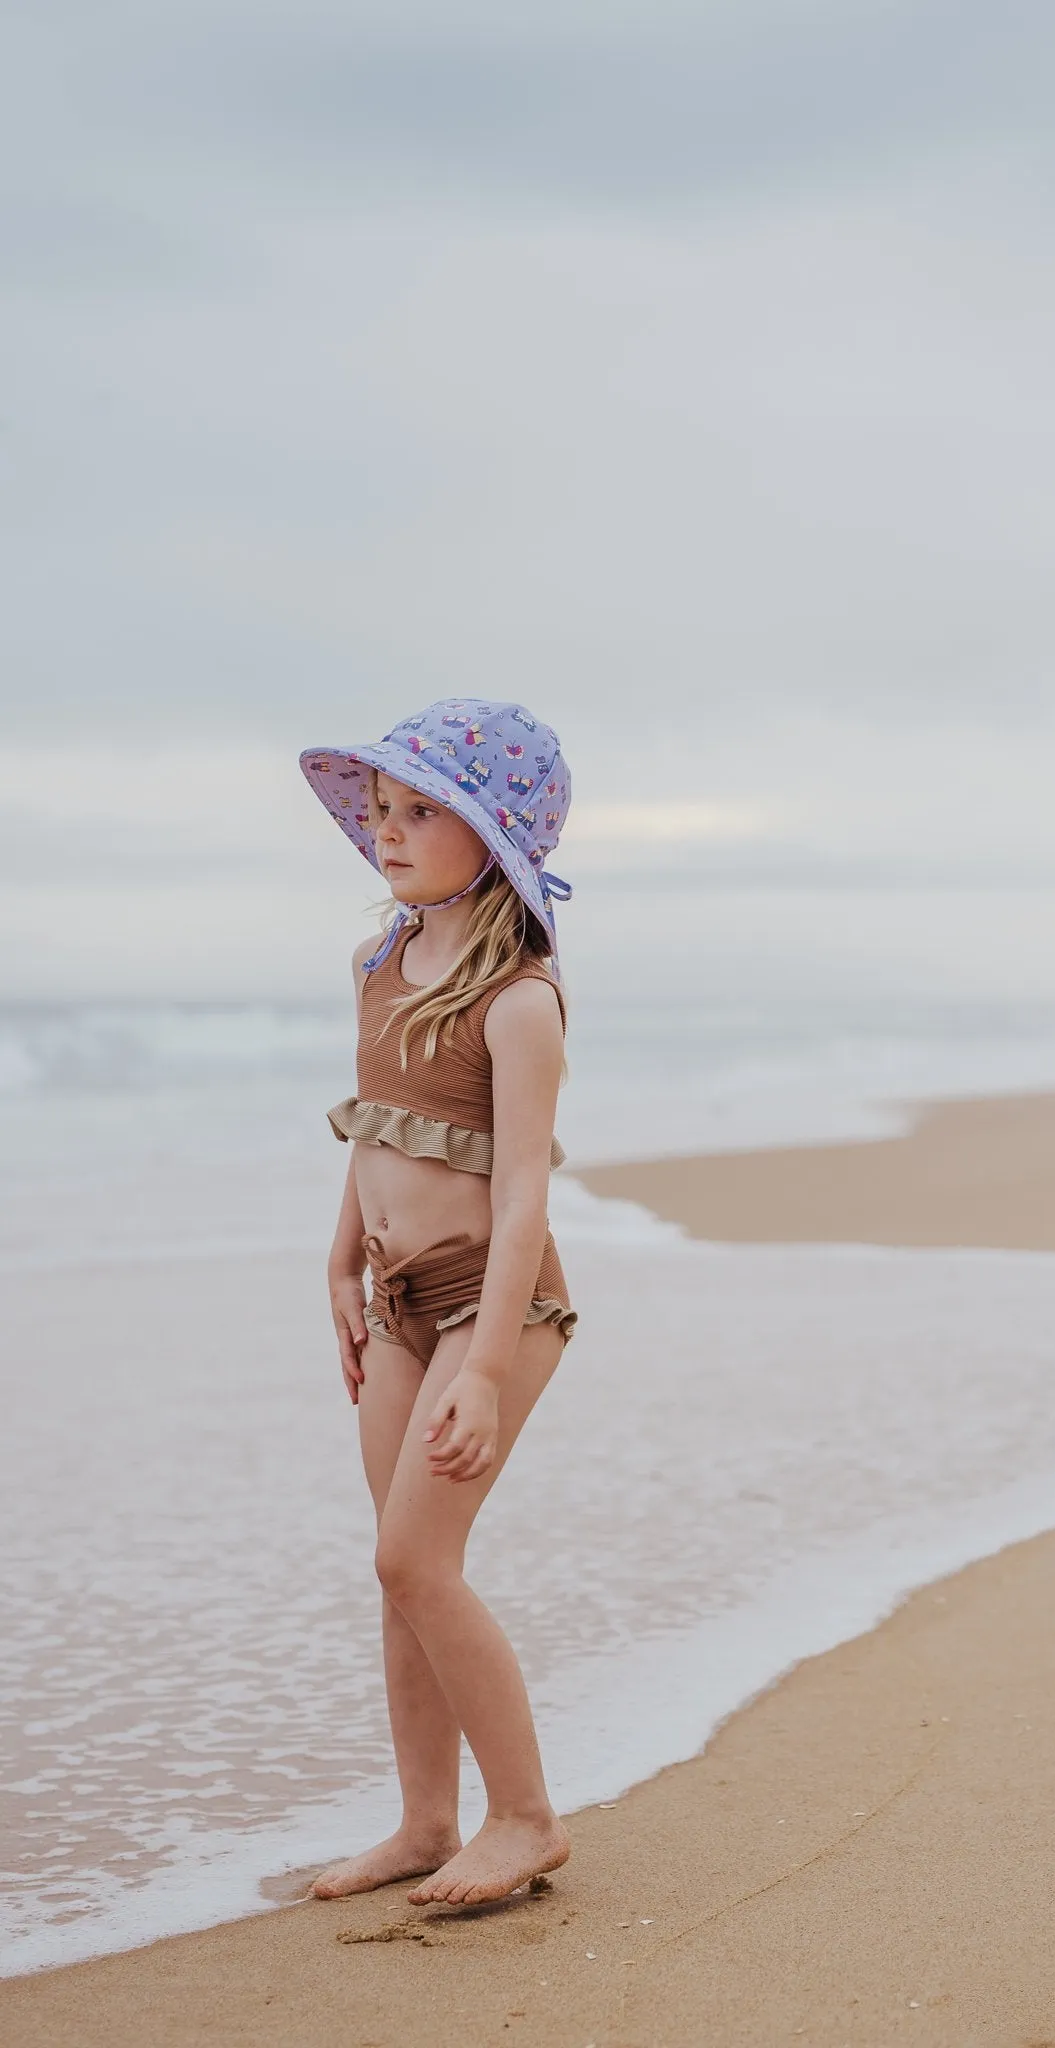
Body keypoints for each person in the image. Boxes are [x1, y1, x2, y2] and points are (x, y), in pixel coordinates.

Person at [297, 698, 576, 1909]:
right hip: (397, 1295)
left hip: (491, 1308)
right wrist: (340, 1259)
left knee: (420, 1556)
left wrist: (482, 1368)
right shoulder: (377, 963)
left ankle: (523, 1819)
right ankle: (423, 1819)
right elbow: (374, 1133)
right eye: (384, 808)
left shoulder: (517, 999)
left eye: (421, 810)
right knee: (396, 1569)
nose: (389, 829)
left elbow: (518, 1196)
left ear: (494, 830)